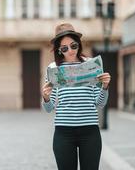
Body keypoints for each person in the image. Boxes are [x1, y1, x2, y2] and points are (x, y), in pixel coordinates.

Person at [42, 23, 111, 170]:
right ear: (59, 50)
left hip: (90, 131)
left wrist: (105, 87)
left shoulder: (91, 65)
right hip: (63, 133)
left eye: (73, 45)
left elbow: (99, 104)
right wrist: (46, 98)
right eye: (64, 48)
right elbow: (49, 109)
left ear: (78, 44)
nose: (70, 51)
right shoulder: (53, 69)